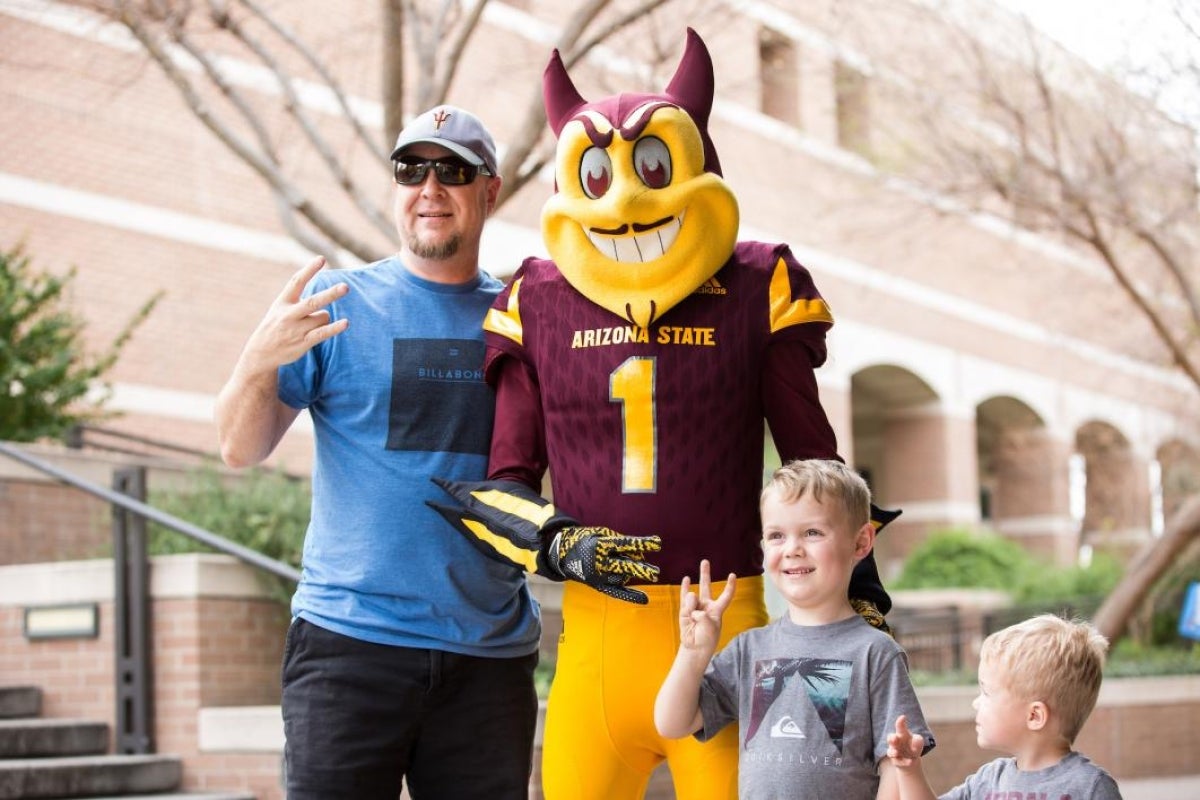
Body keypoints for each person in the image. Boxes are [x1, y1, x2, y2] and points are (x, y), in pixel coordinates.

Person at [430, 29, 898, 799]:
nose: (624, 200)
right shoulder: (535, 298)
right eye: (598, 175)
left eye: (651, 167)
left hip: (731, 626)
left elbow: (822, 474)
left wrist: (862, 602)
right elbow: (500, 484)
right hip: (597, 643)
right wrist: (558, 542)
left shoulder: (757, 282)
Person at [214, 105, 540, 800]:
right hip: (348, 648)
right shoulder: (337, 305)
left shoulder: (524, 318)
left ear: (490, 191)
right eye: (411, 169)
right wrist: (254, 361)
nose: (430, 187)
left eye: (453, 170)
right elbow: (239, 448)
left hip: (487, 658)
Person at [654, 459, 934, 800]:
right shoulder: (750, 649)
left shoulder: (876, 652)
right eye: (776, 535)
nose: (792, 549)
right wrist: (693, 653)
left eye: (812, 532)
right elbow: (673, 723)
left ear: (861, 542)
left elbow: (894, 765)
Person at [886, 614, 1122, 800]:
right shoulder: (988, 781)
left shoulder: (1092, 788)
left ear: (1034, 715)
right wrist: (910, 770)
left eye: (987, 692)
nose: (976, 702)